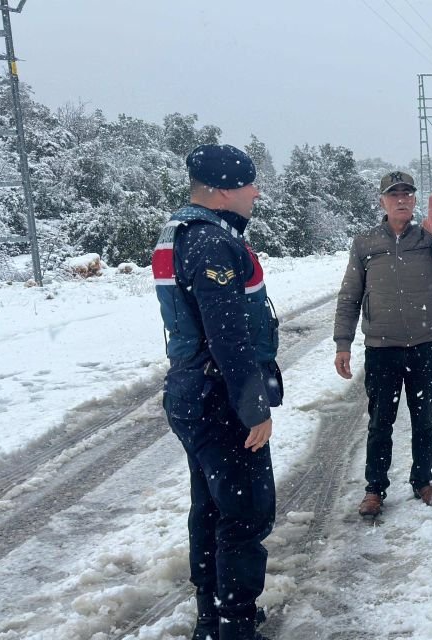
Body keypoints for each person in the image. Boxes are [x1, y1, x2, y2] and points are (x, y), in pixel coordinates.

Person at [153, 144, 280, 640]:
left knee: (210, 507)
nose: (256, 192)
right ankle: (235, 625)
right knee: (245, 513)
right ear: (224, 190)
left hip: (192, 389)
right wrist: (254, 408)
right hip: (217, 397)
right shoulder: (209, 242)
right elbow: (227, 335)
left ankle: (215, 618)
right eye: (249, 183)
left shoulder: (185, 232)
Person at [334, 170, 432, 516]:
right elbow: (349, 296)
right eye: (394, 194)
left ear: (414, 200)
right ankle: (375, 489)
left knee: (424, 419)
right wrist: (342, 342)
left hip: (425, 345)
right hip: (382, 348)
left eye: (407, 194)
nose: (402, 199)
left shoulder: (428, 237)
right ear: (382, 201)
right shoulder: (365, 243)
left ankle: (422, 481)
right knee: (380, 422)